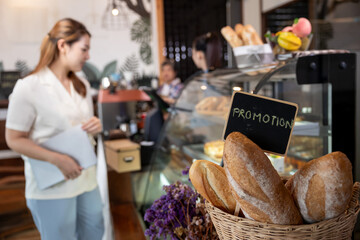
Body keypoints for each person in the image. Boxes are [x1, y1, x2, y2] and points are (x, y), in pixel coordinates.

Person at [5, 18, 104, 240]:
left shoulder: (82, 85)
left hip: (86, 180)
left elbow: (81, 126)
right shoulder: (28, 87)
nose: (88, 56)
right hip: (52, 186)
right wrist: (56, 158)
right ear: (62, 46)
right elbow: (14, 139)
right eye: (84, 49)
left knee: (95, 232)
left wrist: (95, 125)